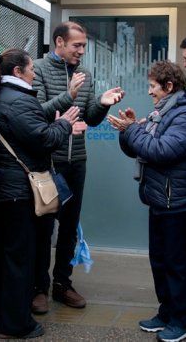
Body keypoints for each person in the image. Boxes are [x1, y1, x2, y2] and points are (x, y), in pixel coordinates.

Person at [108, 61, 186, 342]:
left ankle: (181, 320)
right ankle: (166, 312)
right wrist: (127, 131)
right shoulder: (164, 112)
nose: (150, 92)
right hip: (160, 197)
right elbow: (140, 149)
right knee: (160, 260)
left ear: (169, 86)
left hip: (176, 199)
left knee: (175, 263)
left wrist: (133, 130)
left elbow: (162, 151)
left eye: (153, 87)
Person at [0, 48, 79, 339]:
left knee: (4, 254)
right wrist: (64, 124)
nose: (35, 72)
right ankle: (15, 324)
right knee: (18, 258)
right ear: (18, 72)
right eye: (30, 69)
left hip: (4, 187)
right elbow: (43, 139)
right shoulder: (20, 101)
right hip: (20, 191)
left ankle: (1, 311)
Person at [31, 21, 124, 312]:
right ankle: (38, 288)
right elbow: (36, 114)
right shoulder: (38, 69)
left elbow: (92, 118)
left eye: (84, 46)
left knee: (70, 228)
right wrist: (68, 96)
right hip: (48, 162)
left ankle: (62, 284)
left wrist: (103, 103)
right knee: (43, 228)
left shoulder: (85, 73)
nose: (82, 52)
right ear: (59, 42)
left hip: (76, 162)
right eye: (77, 45)